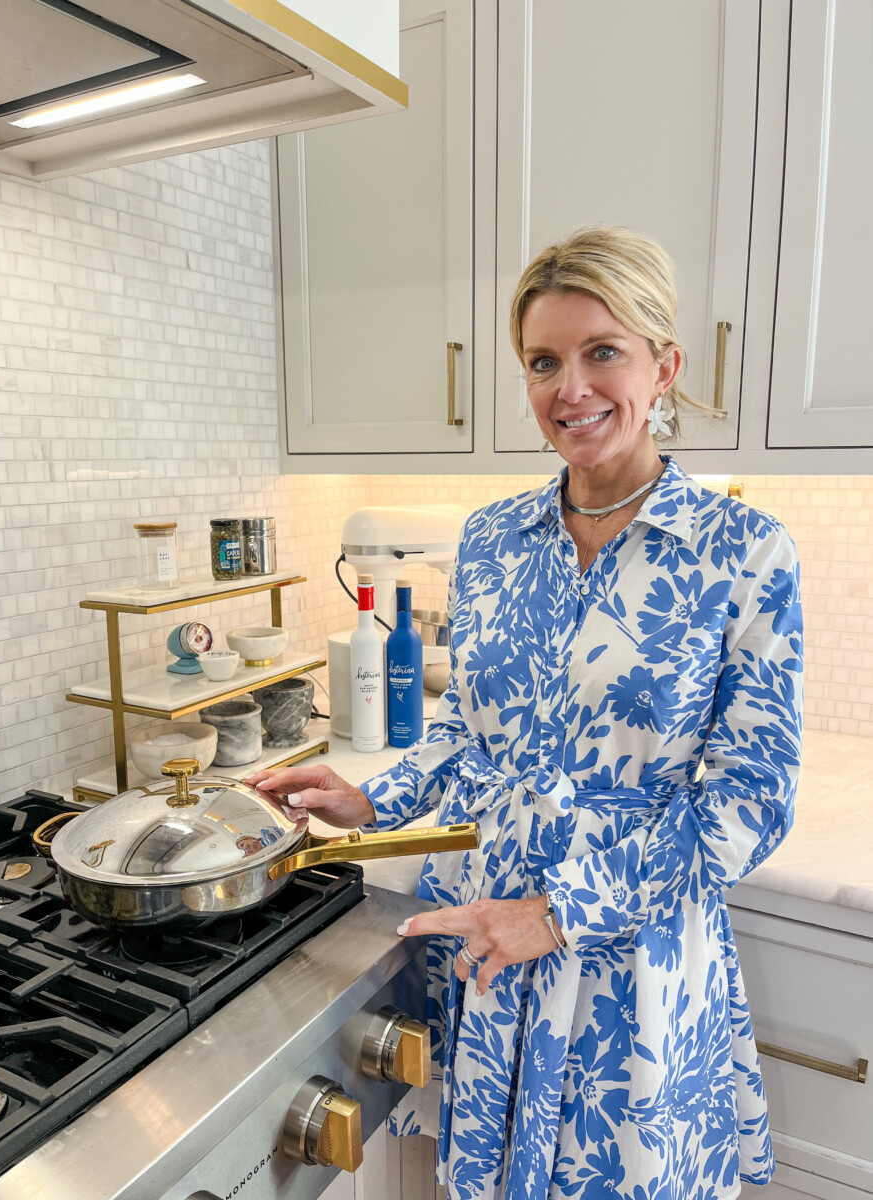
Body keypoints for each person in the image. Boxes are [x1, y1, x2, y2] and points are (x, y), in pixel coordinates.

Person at [247, 226, 803, 1200]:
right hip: (496, 941)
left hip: (630, 955)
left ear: (665, 366)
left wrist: (561, 913)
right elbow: (472, 736)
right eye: (544, 362)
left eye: (603, 353)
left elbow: (751, 802)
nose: (570, 389)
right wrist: (372, 800)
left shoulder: (743, 552)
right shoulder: (494, 539)